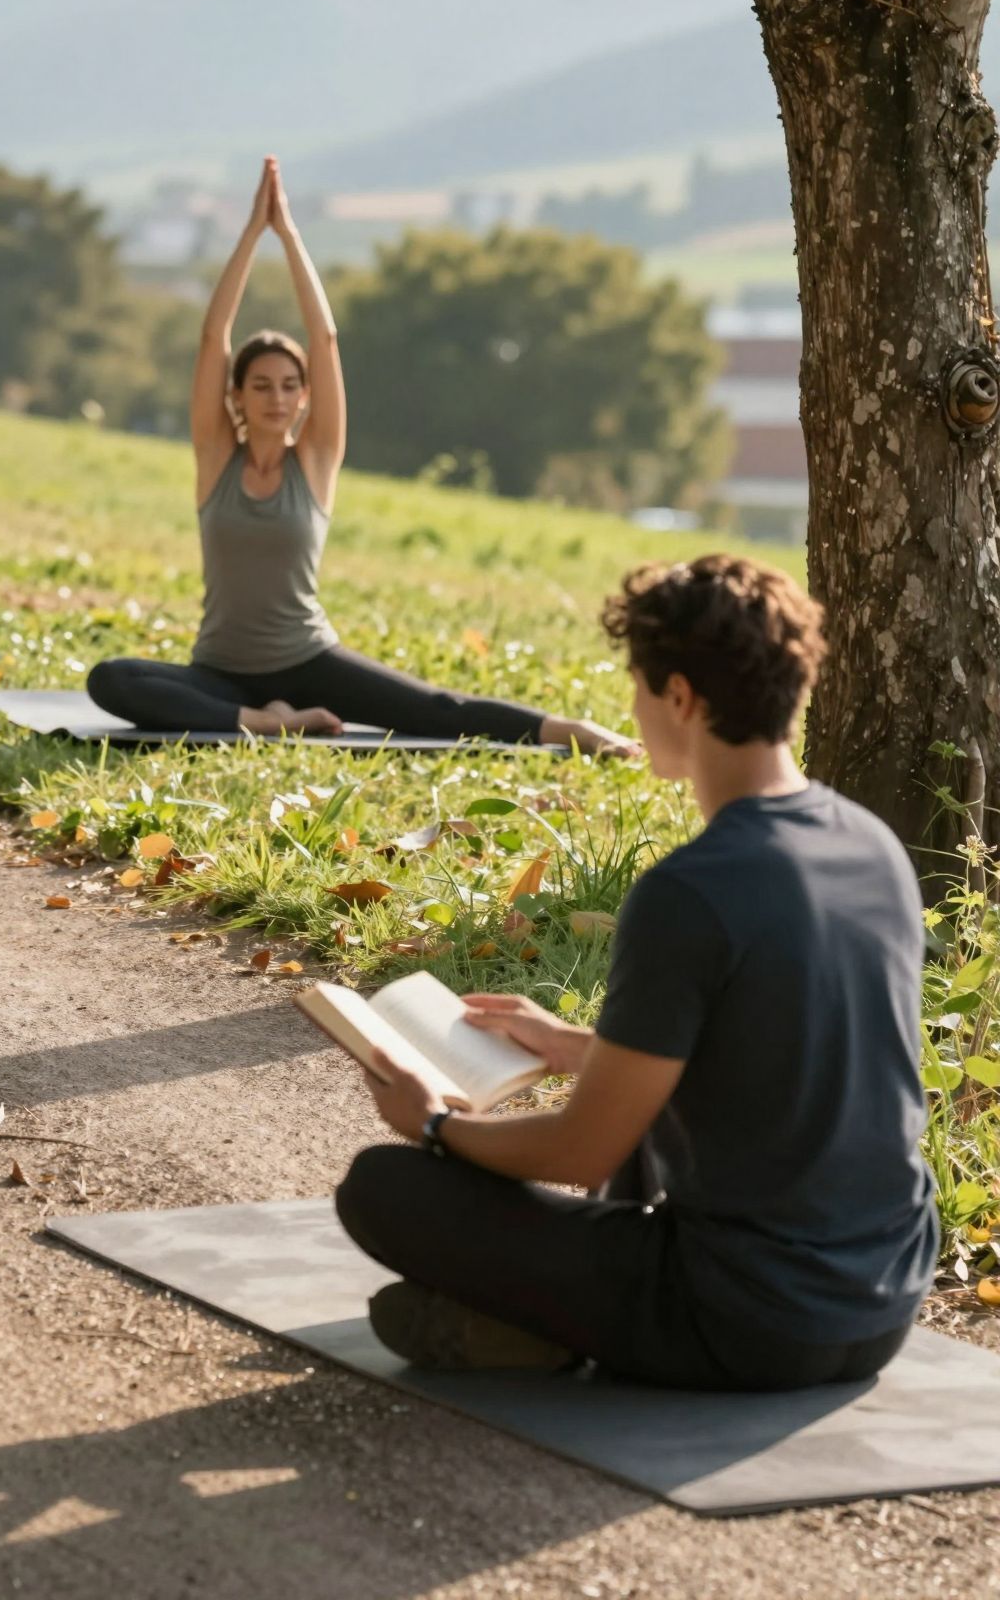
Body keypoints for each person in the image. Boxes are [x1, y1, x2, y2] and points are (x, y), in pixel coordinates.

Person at [334, 555, 939, 1391]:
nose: (635, 707)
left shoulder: (690, 890)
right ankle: (548, 1318)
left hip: (740, 1319)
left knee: (382, 1188)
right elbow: (780, 1049)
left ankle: (548, 1329)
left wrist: (435, 1123)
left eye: (639, 687)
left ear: (681, 698)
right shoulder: (874, 846)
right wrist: (578, 1045)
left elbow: (586, 1148)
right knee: (636, 1131)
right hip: (881, 1307)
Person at [88, 158, 633, 753]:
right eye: (261, 385)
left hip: (308, 661)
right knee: (113, 680)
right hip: (220, 672)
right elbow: (212, 338)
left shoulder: (316, 461)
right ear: (236, 395)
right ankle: (269, 722)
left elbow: (323, 340)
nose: (277, 397)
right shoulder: (217, 459)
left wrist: (288, 235)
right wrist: (250, 233)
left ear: (304, 398)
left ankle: (574, 729)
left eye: (290, 386)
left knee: (435, 708)